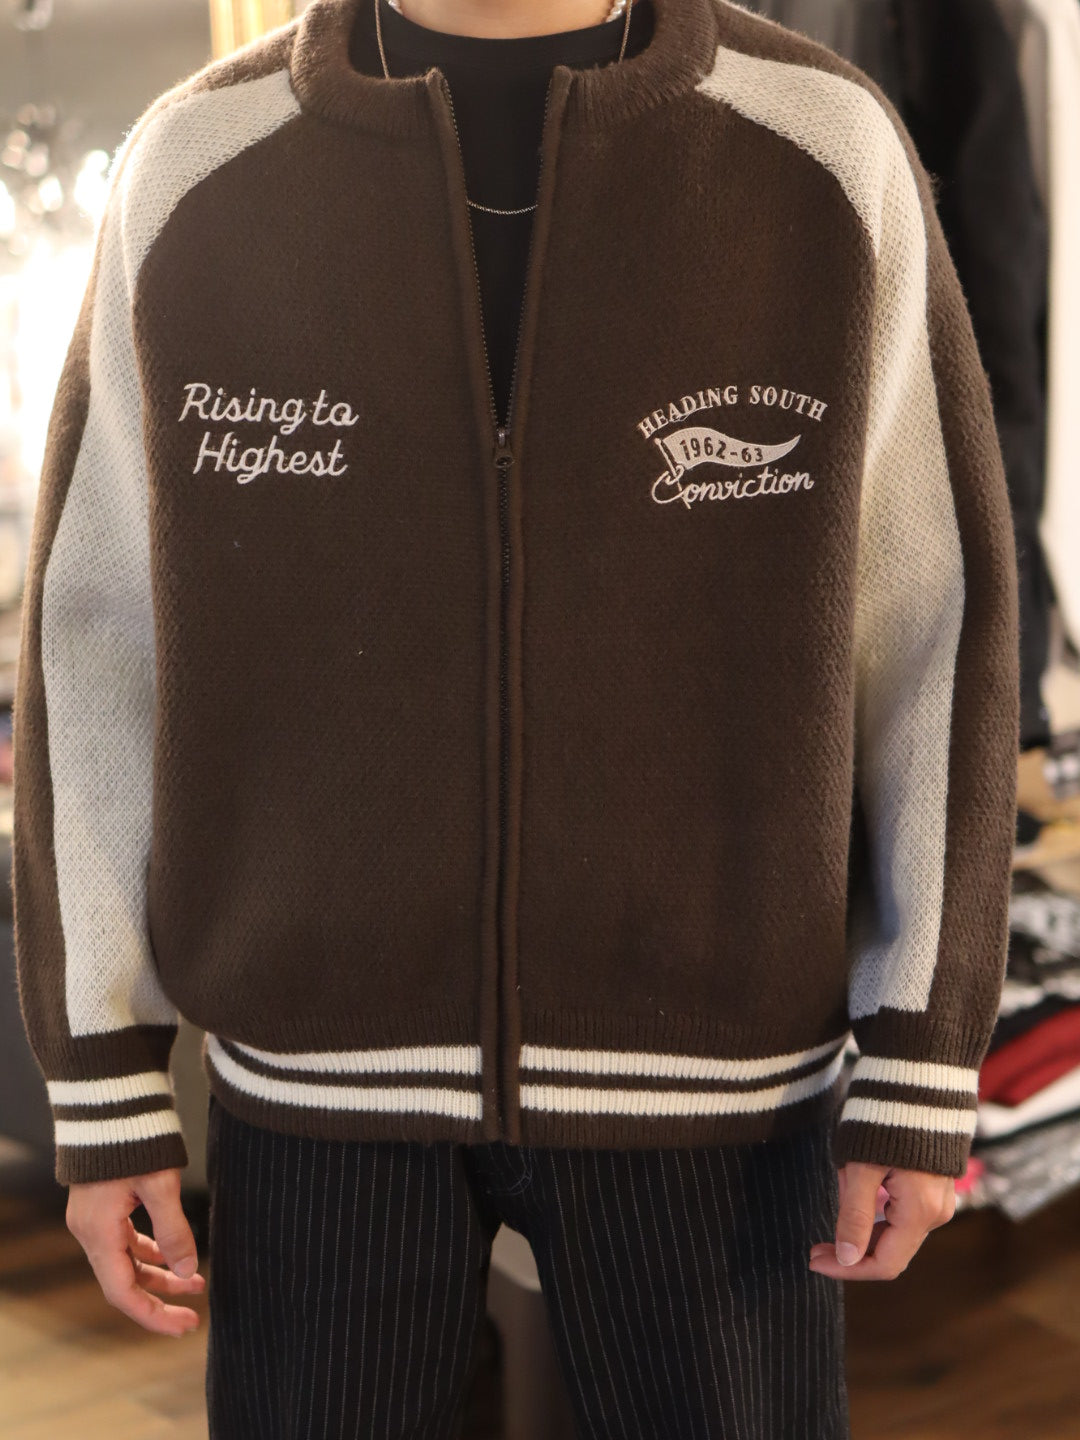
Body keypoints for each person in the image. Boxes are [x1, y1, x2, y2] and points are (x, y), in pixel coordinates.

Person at [11, 0, 1020, 1434]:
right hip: (318, 1088)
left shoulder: (821, 148)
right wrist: (103, 1071)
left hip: (719, 1092)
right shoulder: (200, 164)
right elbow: (97, 633)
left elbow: (932, 625)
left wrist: (924, 1043)